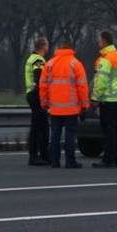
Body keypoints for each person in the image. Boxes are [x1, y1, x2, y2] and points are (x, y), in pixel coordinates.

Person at [39, 38, 89, 169]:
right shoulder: (75, 63)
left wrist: (44, 102)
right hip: (71, 109)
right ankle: (70, 161)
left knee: (55, 135)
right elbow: (82, 87)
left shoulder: (49, 64)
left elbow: (43, 85)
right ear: (71, 49)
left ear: (59, 49)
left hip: (54, 108)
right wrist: (85, 105)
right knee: (70, 136)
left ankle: (54, 161)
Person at [90, 31, 117, 168]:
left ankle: (107, 159)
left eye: (100, 41)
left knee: (108, 130)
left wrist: (95, 98)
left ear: (105, 41)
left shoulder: (105, 59)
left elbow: (101, 81)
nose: (98, 43)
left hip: (108, 100)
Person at [23, 37, 50, 166]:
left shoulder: (31, 58)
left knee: (38, 126)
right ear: (43, 46)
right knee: (40, 127)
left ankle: (39, 154)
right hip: (37, 95)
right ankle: (37, 155)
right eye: (47, 45)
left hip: (32, 94)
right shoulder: (38, 60)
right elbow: (40, 78)